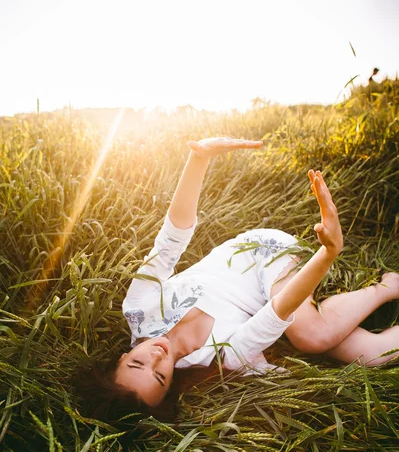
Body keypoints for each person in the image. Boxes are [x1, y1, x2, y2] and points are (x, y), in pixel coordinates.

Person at [81, 137, 399, 420]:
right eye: (160, 377)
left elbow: (170, 242)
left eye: (137, 363)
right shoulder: (215, 361)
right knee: (369, 354)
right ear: (168, 390)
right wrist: (327, 254)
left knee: (311, 337)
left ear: (123, 357)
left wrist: (199, 158)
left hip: (254, 255)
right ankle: (369, 294)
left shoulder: (140, 308)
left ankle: (387, 286)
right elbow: (276, 311)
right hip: (270, 297)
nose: (156, 357)